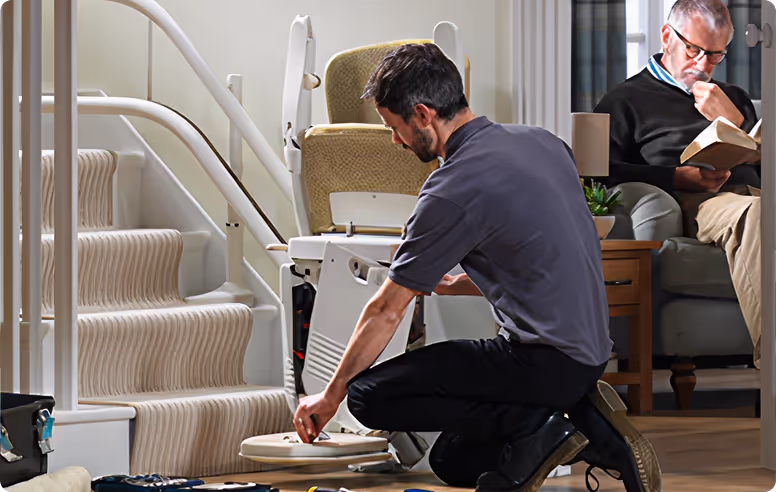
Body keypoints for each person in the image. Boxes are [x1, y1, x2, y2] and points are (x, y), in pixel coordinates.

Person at [292, 42, 662, 492]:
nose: (394, 141)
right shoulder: (545, 143)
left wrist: (330, 396)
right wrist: (462, 283)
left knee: (367, 394)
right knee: (452, 459)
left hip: (538, 363)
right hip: (589, 357)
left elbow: (385, 311)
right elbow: (547, 258)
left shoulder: (450, 189)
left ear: (424, 114)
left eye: (395, 127)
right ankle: (582, 421)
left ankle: (544, 428)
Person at [593, 0, 762, 368]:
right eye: (694, 50)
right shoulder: (624, 100)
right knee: (758, 214)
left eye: (716, 55)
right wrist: (675, 177)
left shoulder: (732, 98)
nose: (703, 66)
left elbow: (755, 155)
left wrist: (733, 123)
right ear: (667, 36)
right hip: (703, 203)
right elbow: (599, 173)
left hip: (757, 193)